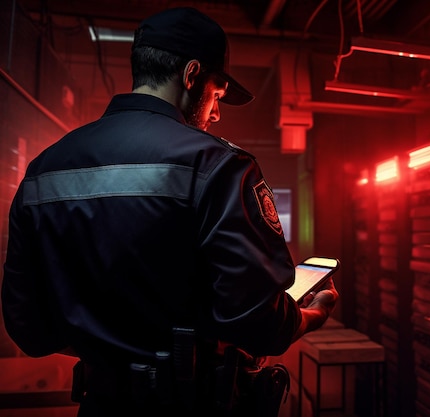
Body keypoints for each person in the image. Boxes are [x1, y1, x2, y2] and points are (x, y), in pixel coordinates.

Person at [1, 7, 338, 416]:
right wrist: (306, 318)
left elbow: (27, 328)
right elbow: (256, 321)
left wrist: (108, 354)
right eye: (216, 94)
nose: (216, 113)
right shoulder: (218, 166)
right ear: (192, 75)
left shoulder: (42, 170)